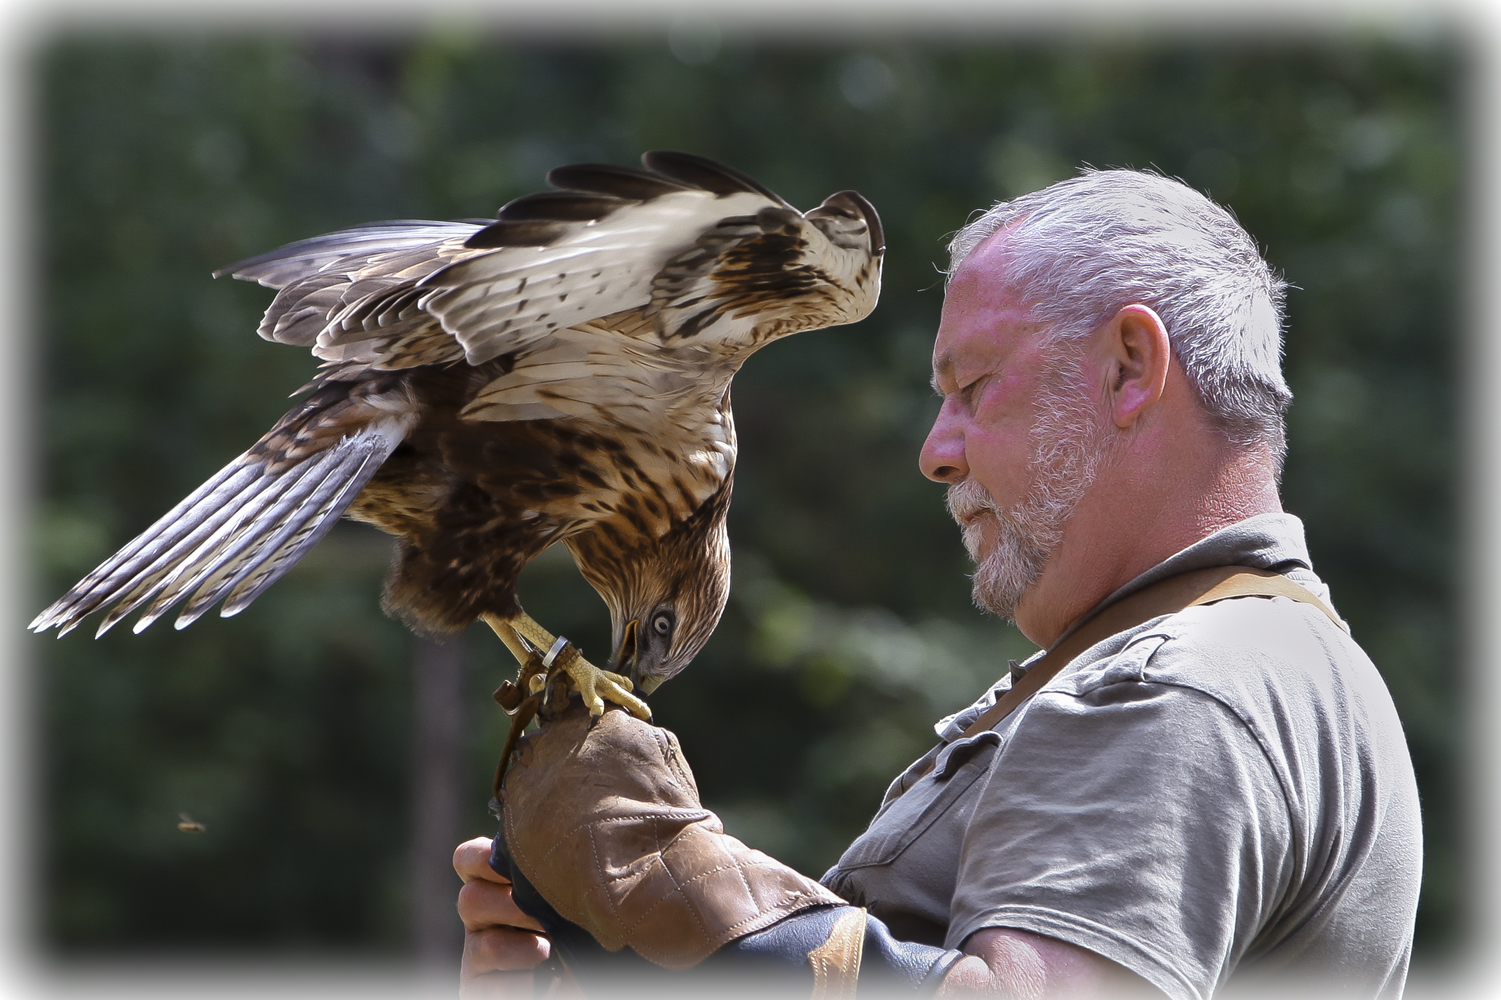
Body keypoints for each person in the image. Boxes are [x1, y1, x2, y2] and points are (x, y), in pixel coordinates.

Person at [452, 169, 1423, 998]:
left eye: (972, 387)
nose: (935, 452)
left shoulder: (1174, 684)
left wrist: (667, 876)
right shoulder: (1257, 665)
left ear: (1130, 368)